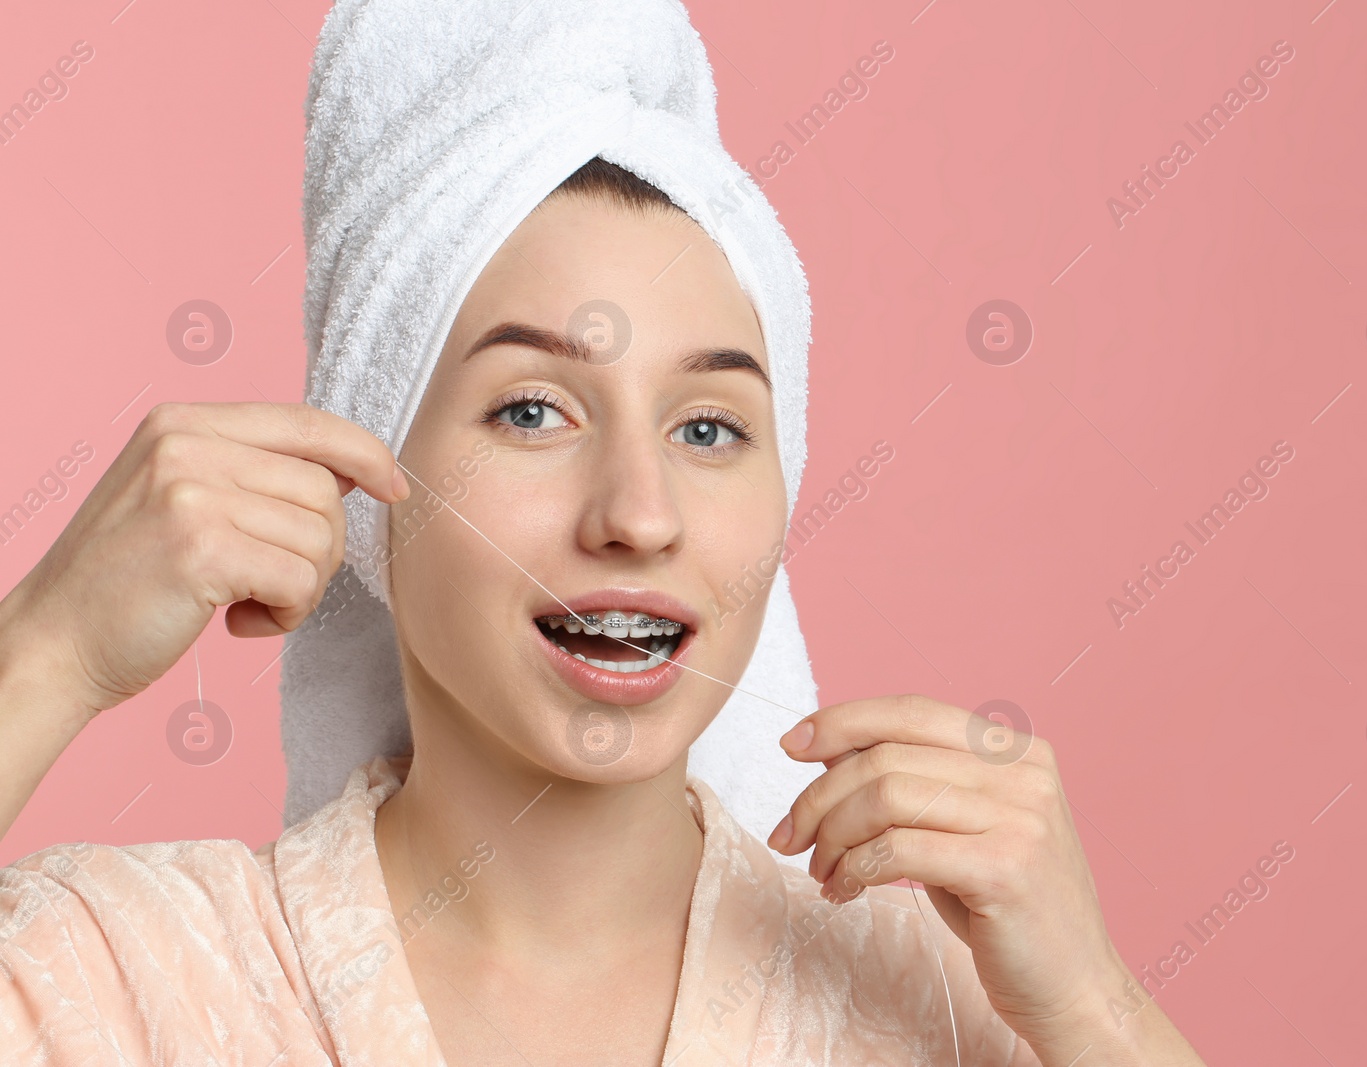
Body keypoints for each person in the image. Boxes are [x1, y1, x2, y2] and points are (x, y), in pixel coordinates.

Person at [0, 3, 1208, 1065]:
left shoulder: (946, 996)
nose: (638, 513)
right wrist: (46, 649)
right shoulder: (117, 979)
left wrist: (1098, 1010)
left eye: (709, 427)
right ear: (363, 478)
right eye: (533, 410)